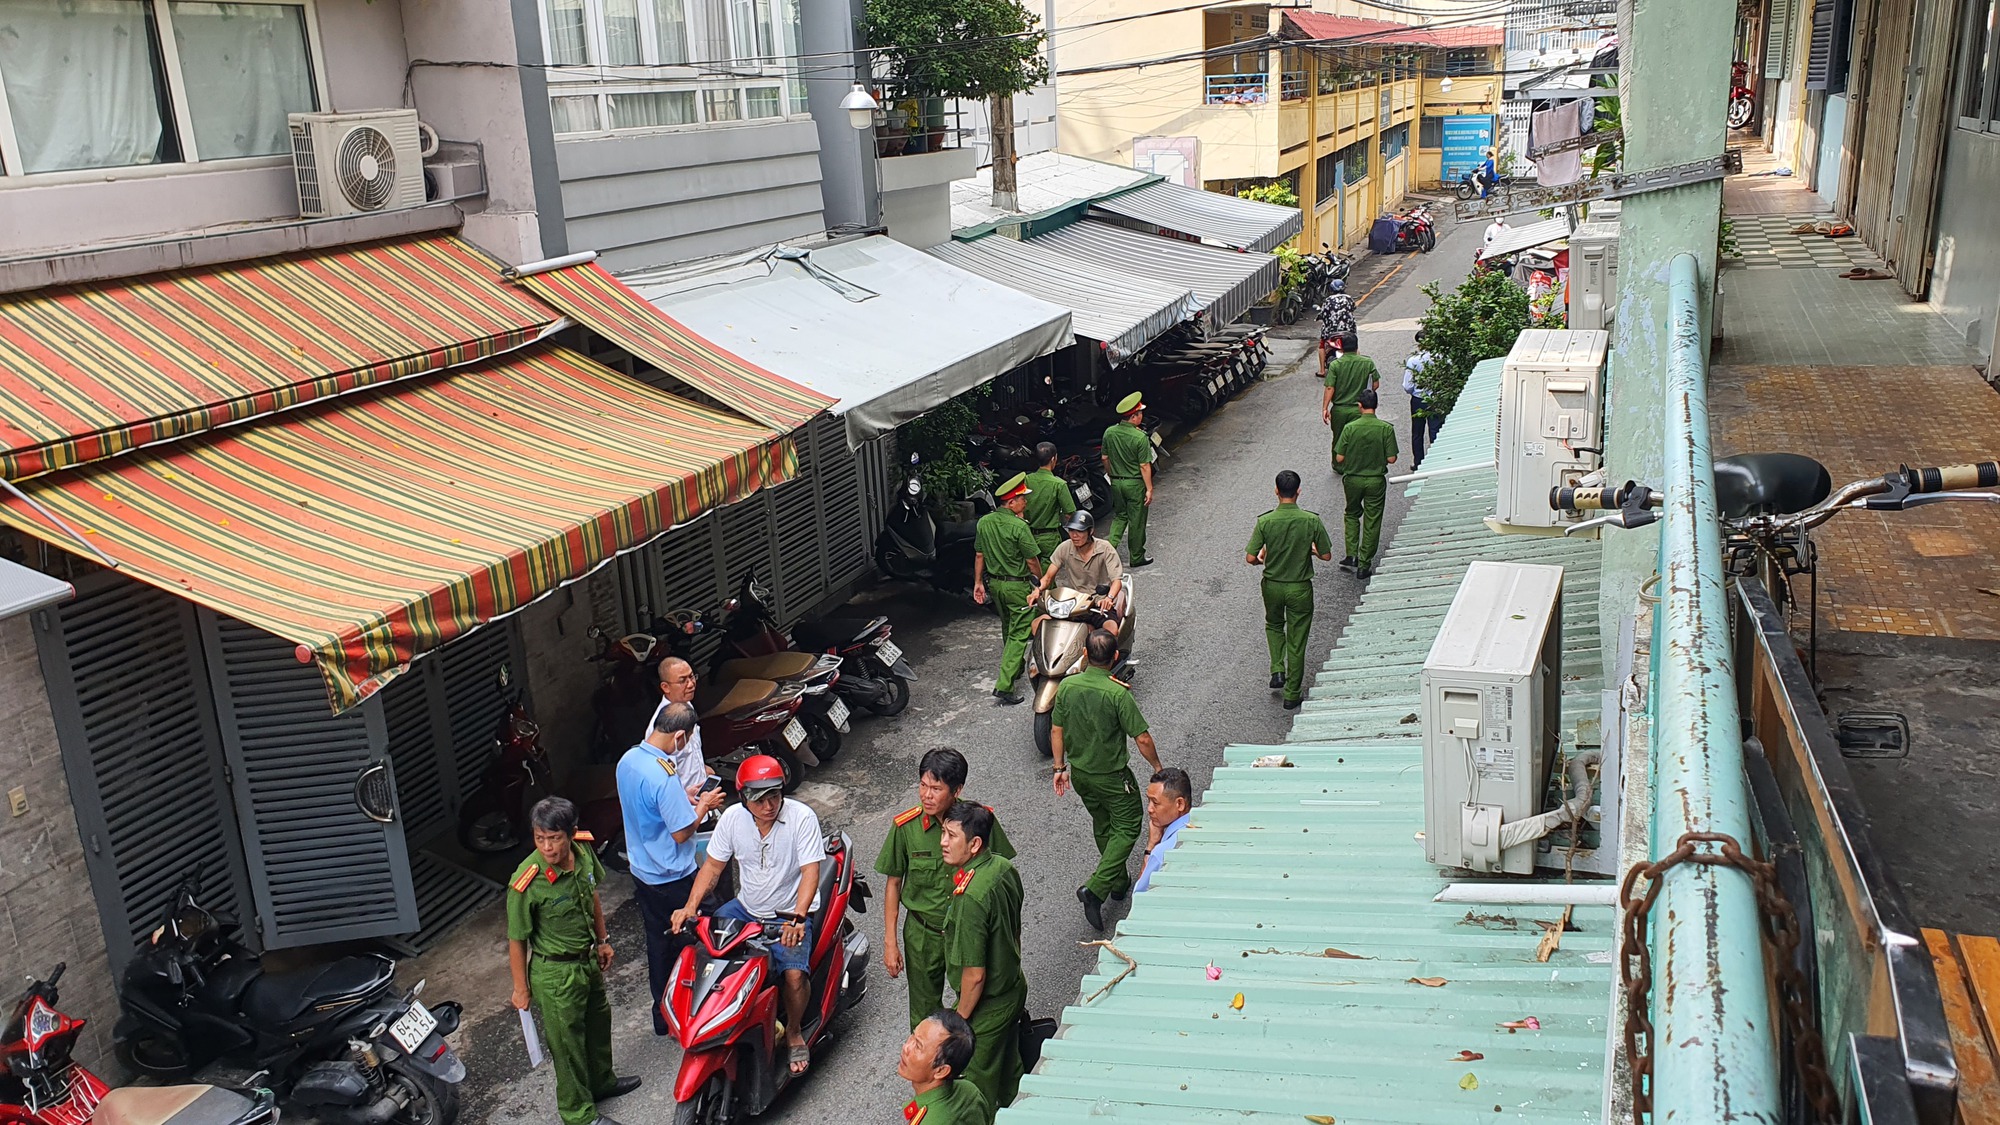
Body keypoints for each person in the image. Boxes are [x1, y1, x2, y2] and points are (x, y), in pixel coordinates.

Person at [672, 756, 825, 1076]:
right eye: (759, 799)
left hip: (788, 912)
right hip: (746, 908)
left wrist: (798, 918)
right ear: (743, 797)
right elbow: (713, 866)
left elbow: (811, 871)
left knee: (794, 975)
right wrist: (690, 906)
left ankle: (794, 1031)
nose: (769, 805)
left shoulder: (801, 817)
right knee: (706, 954)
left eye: (775, 796)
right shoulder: (731, 819)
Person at [506, 797, 640, 1125]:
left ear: (571, 833)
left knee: (598, 1023)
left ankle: (601, 1083)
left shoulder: (582, 850)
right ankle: (578, 1114)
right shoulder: (528, 880)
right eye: (540, 839)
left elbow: (591, 894)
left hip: (587, 961)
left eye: (555, 838)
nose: (548, 847)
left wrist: (603, 941)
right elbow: (516, 939)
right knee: (567, 1046)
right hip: (554, 974)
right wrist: (520, 989)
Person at [876, 748, 1016, 1031]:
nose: (926, 795)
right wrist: (890, 941)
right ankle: (930, 1067)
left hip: (966, 933)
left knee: (976, 1001)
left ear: (957, 789)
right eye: (923, 786)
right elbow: (893, 884)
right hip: (922, 934)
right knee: (923, 1012)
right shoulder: (905, 827)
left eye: (936, 788)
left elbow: (998, 870)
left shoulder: (978, 821)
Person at [617, 701, 725, 1036]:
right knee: (716, 926)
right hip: (674, 874)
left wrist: (685, 795)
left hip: (642, 870)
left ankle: (662, 1015)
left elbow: (651, 808)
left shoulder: (629, 760)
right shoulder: (663, 774)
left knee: (659, 943)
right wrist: (703, 804)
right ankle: (715, 1001)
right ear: (679, 736)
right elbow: (681, 832)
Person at [1051, 629, 1162, 931]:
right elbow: (1141, 737)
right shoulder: (1117, 693)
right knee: (1127, 825)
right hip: (1113, 777)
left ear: (1085, 655)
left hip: (1082, 776)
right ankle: (1096, 889)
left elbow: (1056, 730)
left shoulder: (1067, 687)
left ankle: (1118, 881)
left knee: (1102, 824)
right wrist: (1156, 767)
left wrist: (1060, 768)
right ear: (1115, 657)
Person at [939, 802, 1027, 1111]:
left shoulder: (971, 898)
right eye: (943, 833)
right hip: (1013, 987)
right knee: (1010, 1070)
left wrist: (959, 1023)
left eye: (951, 836)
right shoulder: (1003, 867)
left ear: (974, 844)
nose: (943, 842)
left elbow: (974, 975)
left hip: (987, 1005)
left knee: (976, 1088)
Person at [1245, 470, 1335, 709]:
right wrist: (1313, 551)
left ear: (1276, 491)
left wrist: (1262, 559)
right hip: (1300, 588)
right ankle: (1292, 694)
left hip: (1272, 586)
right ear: (1298, 491)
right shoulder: (1311, 520)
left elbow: (1250, 557)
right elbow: (1326, 555)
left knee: (1274, 625)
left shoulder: (1265, 521)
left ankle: (1277, 669)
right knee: (1297, 640)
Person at [972, 472, 1045, 705]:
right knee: (1019, 633)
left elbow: (979, 554)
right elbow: (1032, 560)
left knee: (1008, 625)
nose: (1026, 501)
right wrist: (1040, 581)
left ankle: (1014, 669)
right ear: (1011, 502)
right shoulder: (1018, 526)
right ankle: (1004, 685)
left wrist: (978, 583)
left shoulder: (984, 522)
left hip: (995, 584)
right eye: (1022, 498)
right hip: (1017, 585)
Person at [1332, 388, 1399, 581]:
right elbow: (1392, 458)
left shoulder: (1350, 428)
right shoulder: (1386, 428)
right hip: (1376, 480)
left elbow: (1340, 456)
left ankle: (1351, 554)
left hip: (1352, 479)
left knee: (1352, 513)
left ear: (1359, 406)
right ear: (1376, 406)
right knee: (1372, 519)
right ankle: (1364, 564)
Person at [1028, 509, 1125, 627]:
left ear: (1090, 531)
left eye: (1080, 531)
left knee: (1111, 630)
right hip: (1074, 604)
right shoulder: (1065, 548)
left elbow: (1117, 581)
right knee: (1038, 624)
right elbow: (1048, 578)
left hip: (1099, 604)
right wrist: (1037, 590)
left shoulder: (1105, 549)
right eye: (1071, 530)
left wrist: (1109, 598)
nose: (1074, 535)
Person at [899, 1010, 992, 1125]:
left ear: (941, 1070)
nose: (906, 1047)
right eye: (912, 1036)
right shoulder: (969, 1090)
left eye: (918, 1046)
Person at [646, 656, 717, 795]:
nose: (691, 684)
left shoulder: (686, 705)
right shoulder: (661, 727)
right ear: (665, 687)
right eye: (683, 681)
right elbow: (661, 781)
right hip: (686, 807)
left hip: (701, 797)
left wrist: (702, 769)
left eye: (692, 677)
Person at [1099, 392, 1155, 568]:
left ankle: (1108, 551)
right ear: (1134, 417)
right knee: (1136, 520)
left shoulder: (1110, 432)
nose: (1142, 416)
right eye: (1140, 414)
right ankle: (1136, 556)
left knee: (1119, 517)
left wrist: (1111, 475)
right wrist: (1149, 488)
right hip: (1134, 483)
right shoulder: (1140, 437)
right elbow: (1144, 466)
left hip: (1116, 482)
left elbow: (1104, 458)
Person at [1135, 767, 1193, 893]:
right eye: (1148, 801)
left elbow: (1140, 896)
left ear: (1180, 804)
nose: (1150, 809)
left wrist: (1151, 846)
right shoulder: (1206, 823)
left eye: (1155, 803)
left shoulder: (1161, 853)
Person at [1320, 349, 1381, 466]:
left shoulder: (1335, 364)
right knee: (1358, 438)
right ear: (1356, 348)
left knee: (1338, 438)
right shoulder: (1367, 362)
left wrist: (1325, 408)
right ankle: (1356, 463)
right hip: (1359, 409)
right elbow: (1375, 384)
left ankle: (1338, 465)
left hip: (1339, 409)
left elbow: (1329, 387)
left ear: (1342, 349)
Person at [1021, 442, 1077, 564]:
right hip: (1049, 538)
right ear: (1053, 459)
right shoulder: (1059, 484)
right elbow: (1070, 514)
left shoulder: (1026, 480)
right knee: (1048, 577)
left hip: (1027, 535)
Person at [1402, 341, 1443, 469]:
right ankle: (1437, 462)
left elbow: (1407, 386)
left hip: (1418, 400)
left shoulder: (1413, 361)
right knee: (1436, 430)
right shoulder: (1442, 358)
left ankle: (1418, 463)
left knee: (1417, 432)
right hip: (1436, 399)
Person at [1315, 279, 1359, 371]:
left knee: (1322, 345)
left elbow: (1323, 313)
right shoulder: (1349, 298)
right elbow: (1353, 308)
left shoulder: (1328, 300)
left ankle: (1322, 371)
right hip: (1349, 331)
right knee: (1354, 347)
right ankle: (1357, 368)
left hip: (1332, 331)